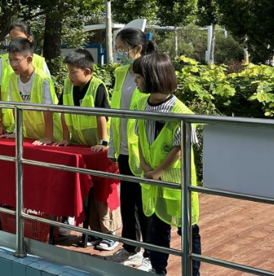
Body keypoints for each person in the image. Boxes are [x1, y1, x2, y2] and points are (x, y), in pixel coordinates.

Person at [131, 52, 202, 276]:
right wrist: (144, 165)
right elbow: (140, 136)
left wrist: (158, 171)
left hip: (177, 182)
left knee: (187, 229)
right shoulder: (141, 104)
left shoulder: (181, 112)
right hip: (153, 178)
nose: (136, 82)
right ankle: (158, 269)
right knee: (157, 227)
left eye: (139, 77)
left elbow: (179, 149)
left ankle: (192, 272)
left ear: (153, 78)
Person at [58, 49, 120, 251]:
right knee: (81, 189)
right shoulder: (68, 86)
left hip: (97, 146)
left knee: (103, 190)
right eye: (68, 71)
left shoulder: (97, 86)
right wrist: (66, 138)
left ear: (87, 71)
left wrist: (103, 142)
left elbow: (102, 115)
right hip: (78, 144)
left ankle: (110, 233)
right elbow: (63, 112)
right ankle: (90, 230)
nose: (69, 76)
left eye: (72, 72)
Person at [107, 28, 156, 270]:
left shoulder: (150, 71)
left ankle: (151, 253)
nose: (118, 53)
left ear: (137, 49)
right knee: (128, 202)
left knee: (145, 203)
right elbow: (116, 113)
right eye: (116, 48)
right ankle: (130, 247)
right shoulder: (120, 73)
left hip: (144, 150)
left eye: (121, 48)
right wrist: (113, 148)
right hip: (125, 148)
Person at [0, 22, 52, 133]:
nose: (14, 42)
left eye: (18, 38)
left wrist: (48, 135)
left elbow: (48, 101)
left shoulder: (40, 63)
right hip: (14, 126)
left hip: (41, 127)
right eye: (11, 39)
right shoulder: (4, 61)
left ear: (29, 39)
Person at [0, 38, 56, 144]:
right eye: (10, 60)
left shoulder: (42, 79)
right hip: (30, 136)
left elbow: (48, 110)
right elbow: (15, 108)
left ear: (29, 59)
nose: (12, 64)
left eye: (16, 60)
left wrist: (48, 137)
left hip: (52, 136)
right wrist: (17, 132)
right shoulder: (12, 78)